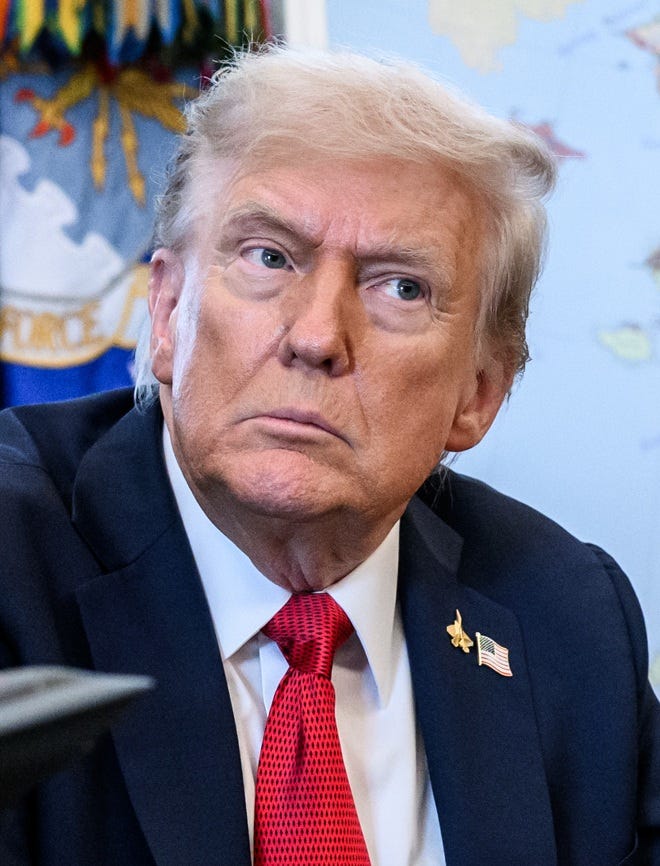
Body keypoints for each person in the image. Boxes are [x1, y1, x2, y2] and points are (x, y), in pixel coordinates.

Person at [0, 45, 657, 866]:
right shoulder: (13, 562)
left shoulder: (569, 619)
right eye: (268, 257)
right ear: (167, 312)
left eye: (400, 287)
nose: (315, 337)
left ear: (480, 392)